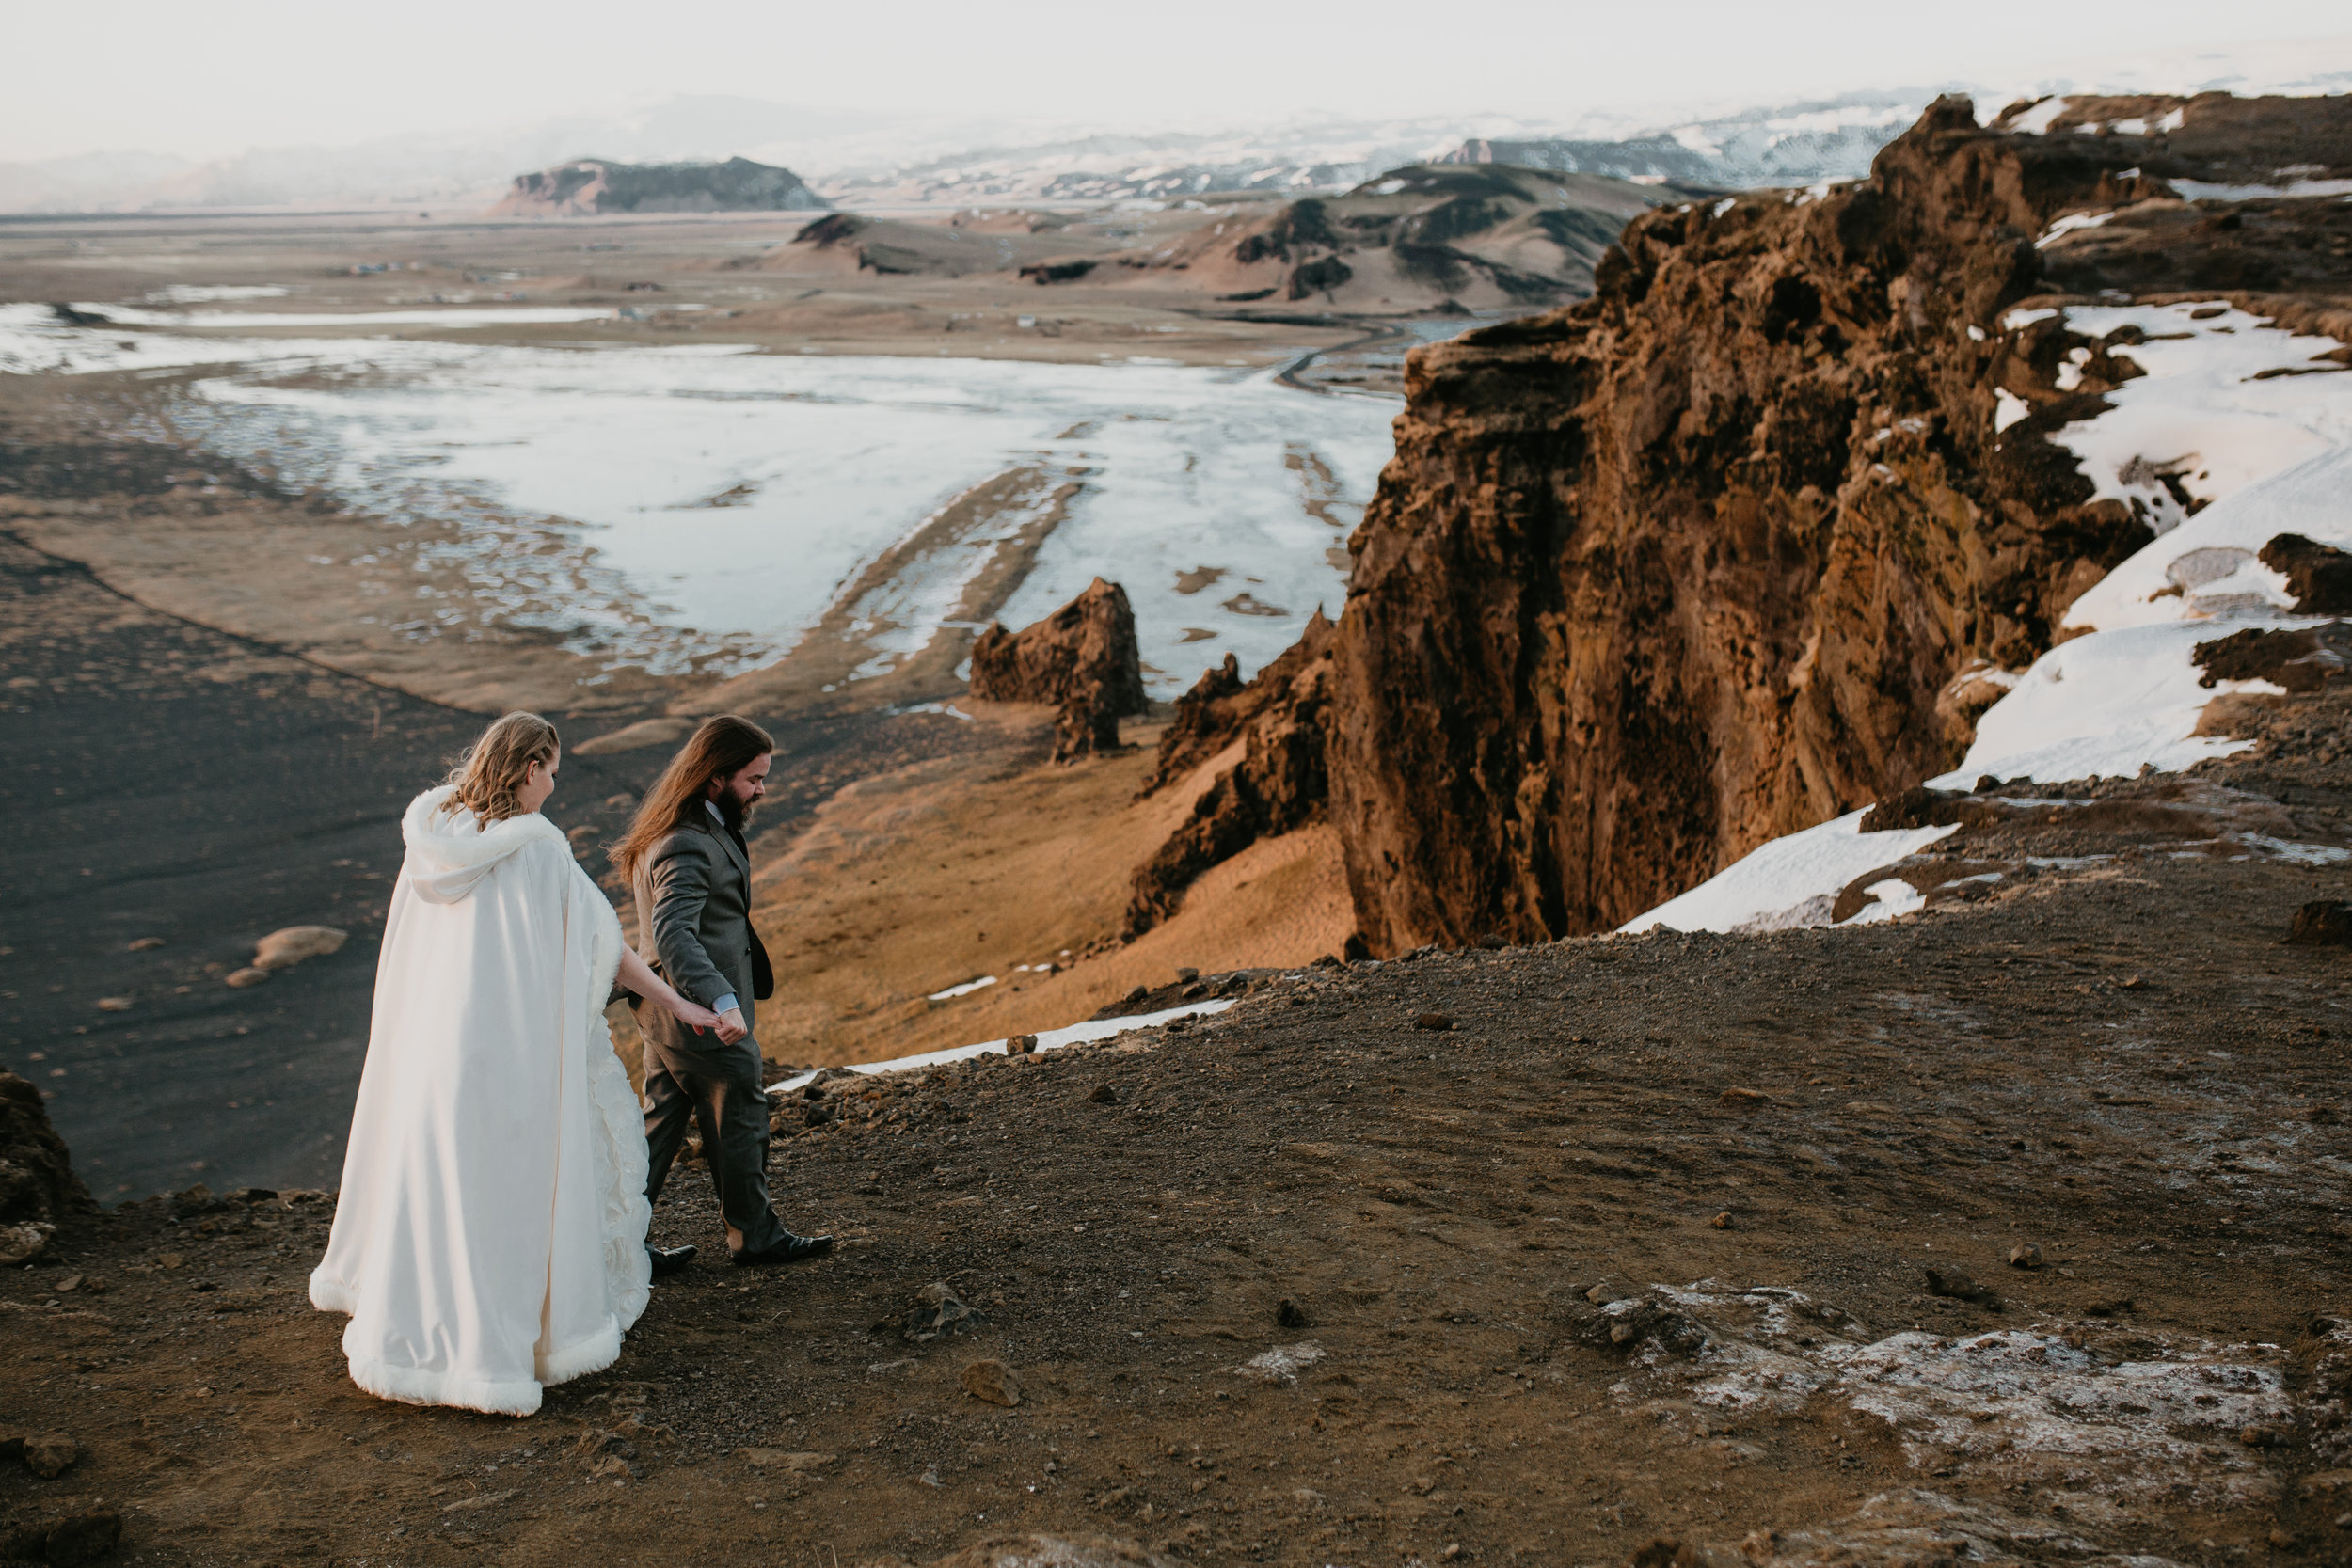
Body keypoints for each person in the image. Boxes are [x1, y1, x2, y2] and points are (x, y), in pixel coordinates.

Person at [310, 712, 723, 1417]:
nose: (554, 786)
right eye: (553, 771)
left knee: (439, 1199)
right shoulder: (536, 849)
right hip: (507, 1063)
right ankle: (496, 1358)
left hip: (431, 1063)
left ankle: (410, 1341)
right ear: (529, 766)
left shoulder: (430, 843)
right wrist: (681, 1004)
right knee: (504, 1205)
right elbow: (602, 944)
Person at [612, 715, 833, 1268]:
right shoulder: (684, 842)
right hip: (700, 1017)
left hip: (665, 1014)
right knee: (739, 1120)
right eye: (753, 779)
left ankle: (615, 1244)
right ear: (714, 776)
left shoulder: (686, 824)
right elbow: (673, 932)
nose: (762, 790)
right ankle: (754, 1237)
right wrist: (720, 1000)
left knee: (657, 1130)